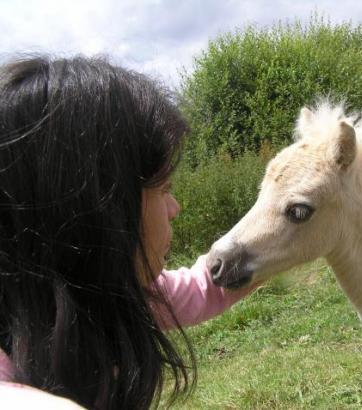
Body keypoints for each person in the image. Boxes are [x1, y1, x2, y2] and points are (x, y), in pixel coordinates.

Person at [0, 55, 256, 409]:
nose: (175, 208)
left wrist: (271, 243)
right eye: (164, 189)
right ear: (102, 208)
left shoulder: (114, 292)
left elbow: (204, 286)